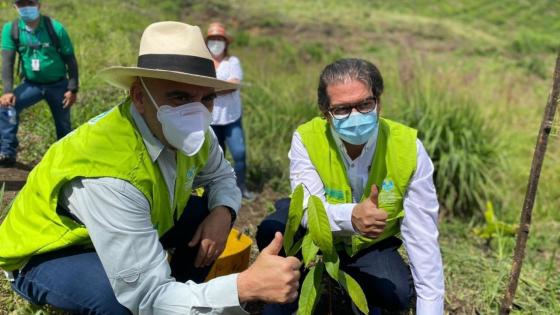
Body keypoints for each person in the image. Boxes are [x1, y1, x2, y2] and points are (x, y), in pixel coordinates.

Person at [0, 21, 301, 314]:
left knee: (203, 213)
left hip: (124, 227)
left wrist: (223, 211)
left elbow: (222, 175)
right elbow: (145, 296)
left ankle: (183, 296)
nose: (195, 112)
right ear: (139, 97)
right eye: (179, 97)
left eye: (206, 99)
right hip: (51, 253)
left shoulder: (196, 132)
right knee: (119, 301)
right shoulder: (110, 170)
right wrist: (243, 287)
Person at [256, 58, 444, 314]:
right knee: (273, 230)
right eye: (342, 109)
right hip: (315, 233)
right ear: (325, 113)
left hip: (369, 243)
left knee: (396, 295)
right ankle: (286, 292)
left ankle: (353, 284)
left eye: (365, 104)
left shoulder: (408, 149)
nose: (355, 116)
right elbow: (309, 210)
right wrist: (351, 217)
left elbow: (422, 238)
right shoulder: (307, 138)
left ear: (379, 102)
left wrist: (431, 308)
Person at [0, 0, 79, 167]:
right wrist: (8, 91)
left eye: (30, 3)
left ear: (39, 5)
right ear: (15, 7)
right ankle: (7, 152)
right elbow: (7, 62)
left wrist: (72, 88)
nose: (26, 7)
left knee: (63, 124)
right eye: (21, 4)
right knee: (7, 107)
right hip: (31, 85)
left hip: (58, 85)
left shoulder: (55, 28)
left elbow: (70, 60)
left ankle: (66, 159)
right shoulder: (11, 29)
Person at [205, 22, 254, 200]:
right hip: (211, 119)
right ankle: (216, 191)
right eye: (212, 39)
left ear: (226, 42)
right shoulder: (204, 63)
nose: (216, 43)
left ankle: (241, 187)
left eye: (219, 39)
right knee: (216, 157)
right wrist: (217, 87)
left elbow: (233, 85)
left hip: (231, 117)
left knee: (239, 153)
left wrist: (208, 90)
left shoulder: (232, 62)